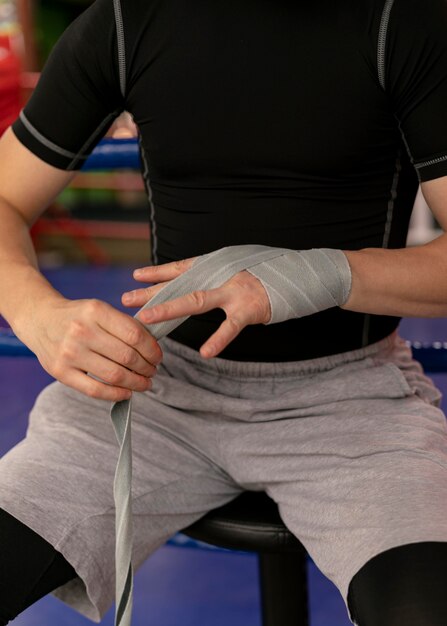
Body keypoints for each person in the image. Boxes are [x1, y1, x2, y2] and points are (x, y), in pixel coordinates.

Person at [0, 0, 447, 624]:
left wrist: (322, 273)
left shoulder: (402, 24)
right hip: (157, 390)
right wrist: (38, 314)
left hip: (351, 407)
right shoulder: (127, 23)